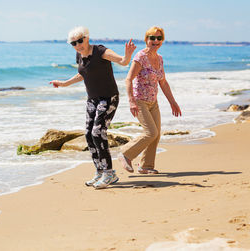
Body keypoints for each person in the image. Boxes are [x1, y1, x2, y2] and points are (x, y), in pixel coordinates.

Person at [50, 26, 136, 189]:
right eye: (74, 43)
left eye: (80, 41)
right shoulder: (79, 55)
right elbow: (83, 74)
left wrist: (128, 55)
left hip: (108, 98)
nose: (78, 45)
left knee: (98, 132)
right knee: (89, 135)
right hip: (92, 100)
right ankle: (100, 171)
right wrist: (64, 83)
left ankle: (109, 173)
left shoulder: (100, 51)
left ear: (87, 38)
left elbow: (123, 62)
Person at [118, 26, 181, 174]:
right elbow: (128, 80)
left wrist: (173, 101)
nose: (156, 41)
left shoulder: (159, 59)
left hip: (153, 102)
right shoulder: (140, 57)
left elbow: (163, 82)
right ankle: (125, 154)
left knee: (156, 134)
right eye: (152, 38)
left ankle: (146, 166)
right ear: (146, 39)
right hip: (140, 101)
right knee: (150, 133)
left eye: (159, 38)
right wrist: (131, 101)